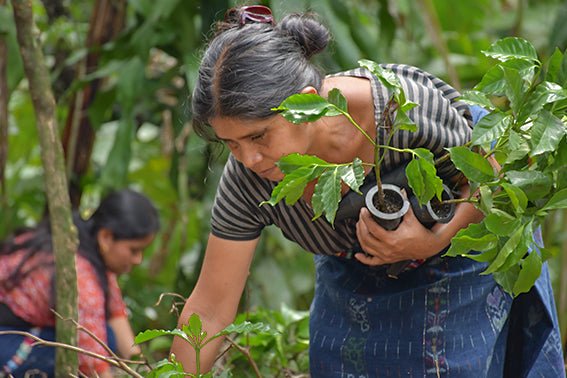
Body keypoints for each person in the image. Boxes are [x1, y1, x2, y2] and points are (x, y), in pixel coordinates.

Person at [171, 5, 565, 377]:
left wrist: (432, 240)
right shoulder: (247, 179)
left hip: (459, 238)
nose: (249, 158)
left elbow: (488, 182)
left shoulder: (401, 111)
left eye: (257, 136)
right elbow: (209, 310)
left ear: (304, 105)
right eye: (232, 144)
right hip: (356, 262)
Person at [0, 189, 160, 377]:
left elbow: (116, 314)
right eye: (134, 250)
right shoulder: (80, 275)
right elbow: (93, 364)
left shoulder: (85, 246)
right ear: (106, 237)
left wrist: (143, 371)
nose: (138, 260)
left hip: (20, 326)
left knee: (107, 335)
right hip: (7, 335)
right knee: (80, 351)